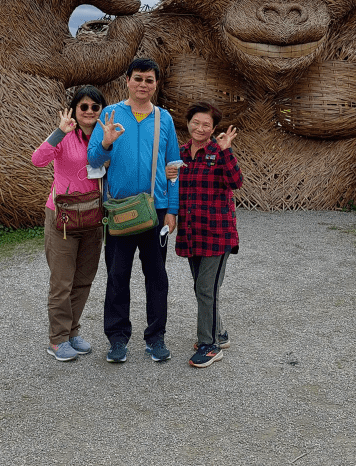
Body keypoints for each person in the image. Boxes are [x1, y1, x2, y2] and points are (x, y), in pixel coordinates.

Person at [88, 58, 181, 363]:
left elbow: (173, 167)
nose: (143, 85)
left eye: (149, 80)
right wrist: (105, 142)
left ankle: (156, 338)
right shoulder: (111, 114)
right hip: (119, 211)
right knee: (117, 276)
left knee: (156, 277)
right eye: (138, 78)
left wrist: (172, 208)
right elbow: (92, 159)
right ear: (126, 80)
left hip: (154, 211)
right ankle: (117, 338)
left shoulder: (163, 118)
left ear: (156, 84)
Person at [31, 85, 107, 362]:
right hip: (62, 217)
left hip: (93, 217)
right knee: (62, 281)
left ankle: (72, 331)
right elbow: (38, 160)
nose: (88, 111)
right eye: (83, 107)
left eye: (94, 107)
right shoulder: (65, 137)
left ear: (102, 111)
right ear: (74, 110)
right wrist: (59, 132)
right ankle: (58, 339)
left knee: (83, 280)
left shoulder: (104, 138)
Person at [169, 101, 243, 368]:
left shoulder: (218, 151)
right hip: (191, 232)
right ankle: (219, 333)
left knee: (205, 287)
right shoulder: (180, 155)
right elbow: (173, 188)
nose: (200, 128)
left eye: (206, 125)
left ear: (213, 129)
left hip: (217, 233)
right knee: (204, 288)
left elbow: (235, 182)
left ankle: (209, 345)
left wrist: (226, 151)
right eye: (196, 122)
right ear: (188, 123)